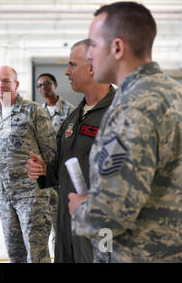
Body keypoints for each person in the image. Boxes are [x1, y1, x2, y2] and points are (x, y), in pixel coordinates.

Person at [68, 2, 182, 262]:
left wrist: (81, 208)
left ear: (117, 48)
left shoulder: (134, 107)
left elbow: (112, 214)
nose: (90, 56)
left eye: (94, 45)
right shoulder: (172, 92)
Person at [27, 39, 115, 262]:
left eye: (72, 65)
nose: (66, 72)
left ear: (92, 67)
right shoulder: (72, 119)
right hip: (68, 222)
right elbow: (62, 168)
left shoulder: (120, 114)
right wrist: (44, 169)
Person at [0, 65, 56, 263]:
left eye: (6, 81)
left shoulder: (33, 111)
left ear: (16, 84)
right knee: (14, 254)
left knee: (37, 255)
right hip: (5, 198)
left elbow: (51, 155)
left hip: (32, 197)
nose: (1, 85)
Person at [36, 72, 75, 259]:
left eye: (47, 84)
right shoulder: (38, 112)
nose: (44, 88)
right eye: (40, 85)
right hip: (45, 178)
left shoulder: (70, 112)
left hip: (62, 176)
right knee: (44, 225)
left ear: (55, 84)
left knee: (61, 227)